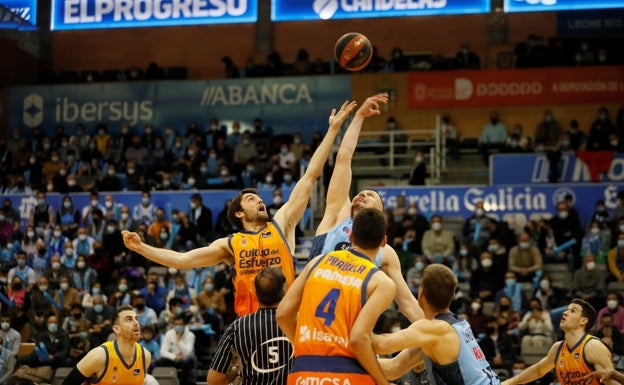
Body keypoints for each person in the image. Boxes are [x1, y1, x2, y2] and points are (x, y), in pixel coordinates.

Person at [123, 100, 357, 317]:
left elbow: (310, 176)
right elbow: (182, 260)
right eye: (251, 200)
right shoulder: (229, 245)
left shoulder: (282, 223)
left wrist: (333, 130)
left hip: (286, 320)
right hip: (249, 325)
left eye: (258, 198)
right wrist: (141, 247)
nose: (259, 201)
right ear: (239, 213)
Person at [307, 93, 423, 323]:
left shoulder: (386, 252)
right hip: (312, 320)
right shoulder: (336, 217)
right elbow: (343, 158)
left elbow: (407, 302)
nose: (362, 194)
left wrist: (433, 336)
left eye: (371, 195)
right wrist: (359, 117)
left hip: (352, 327)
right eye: (361, 193)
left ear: (380, 214)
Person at [277, 208, 397, 385]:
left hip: (303, 372)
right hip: (348, 373)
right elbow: (358, 338)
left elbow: (282, 314)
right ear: (383, 242)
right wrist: (382, 382)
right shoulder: (381, 283)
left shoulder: (316, 263)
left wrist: (306, 346)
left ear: (351, 238)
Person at [371, 264, 501, 385]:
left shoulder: (433, 329)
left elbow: (381, 345)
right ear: (453, 294)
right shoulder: (459, 324)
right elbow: (394, 368)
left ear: (420, 293)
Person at [208, 266, 293, 385]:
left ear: (255, 292)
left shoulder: (237, 327)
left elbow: (214, 380)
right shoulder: (299, 323)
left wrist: (237, 371)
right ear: (285, 291)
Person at [501, 298, 615, 385]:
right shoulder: (557, 348)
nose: (565, 313)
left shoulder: (593, 347)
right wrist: (508, 383)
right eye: (566, 310)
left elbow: (613, 383)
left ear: (583, 321)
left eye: (573, 311)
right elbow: (538, 370)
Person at [61, 304, 151, 385]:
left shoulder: (145, 357)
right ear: (117, 329)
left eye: (136, 319)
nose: (136, 323)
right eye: (129, 319)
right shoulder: (99, 356)